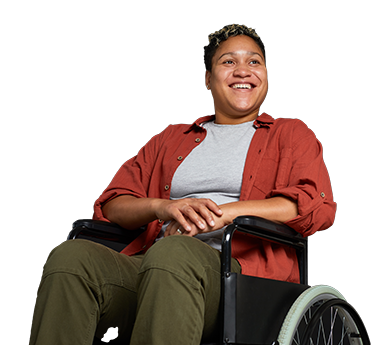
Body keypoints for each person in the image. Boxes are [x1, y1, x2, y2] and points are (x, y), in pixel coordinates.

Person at [29, 24, 336, 345]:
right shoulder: (170, 139)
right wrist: (165, 207)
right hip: (154, 266)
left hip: (238, 276)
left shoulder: (289, 134)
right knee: (72, 258)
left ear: (266, 75)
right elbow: (112, 205)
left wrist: (223, 213)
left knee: (174, 252)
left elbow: (313, 204)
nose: (243, 70)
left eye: (254, 61)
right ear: (208, 78)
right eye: (228, 62)